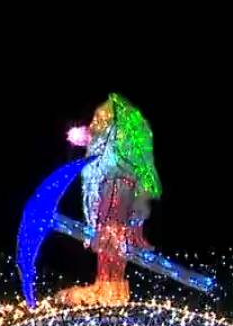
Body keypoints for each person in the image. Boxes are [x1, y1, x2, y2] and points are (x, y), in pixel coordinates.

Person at [58, 93, 161, 306]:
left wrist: (83, 135)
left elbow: (100, 138)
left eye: (99, 120)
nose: (95, 124)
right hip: (116, 185)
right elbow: (97, 138)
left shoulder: (119, 142)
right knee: (110, 233)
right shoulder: (120, 142)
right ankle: (109, 284)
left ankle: (108, 286)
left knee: (110, 232)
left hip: (115, 185)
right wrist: (82, 136)